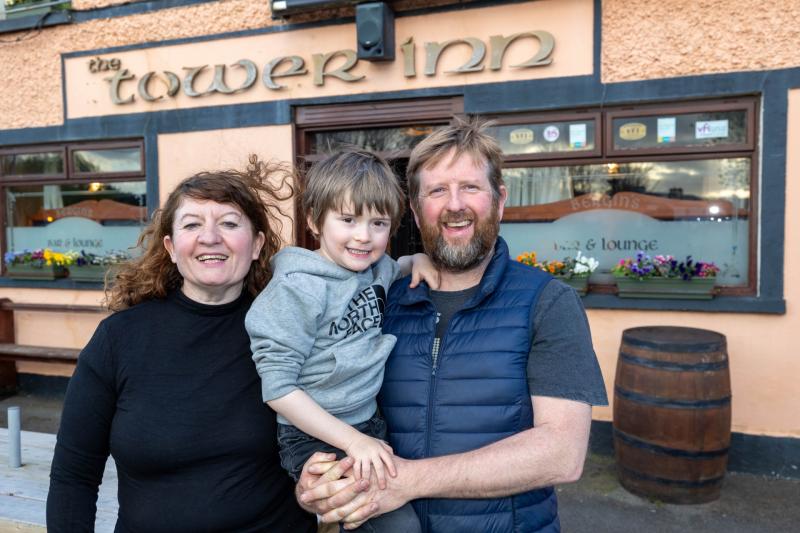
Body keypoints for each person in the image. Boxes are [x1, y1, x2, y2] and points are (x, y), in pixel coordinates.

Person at [296, 119, 608, 532]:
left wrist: (409, 481)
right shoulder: (380, 300)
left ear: (499, 200)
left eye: (470, 187)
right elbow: (329, 397)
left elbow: (561, 454)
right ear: (414, 209)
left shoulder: (546, 302)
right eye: (437, 191)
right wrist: (315, 477)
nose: (454, 204)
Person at [46, 157, 316, 532]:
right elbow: (73, 475)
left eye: (229, 223)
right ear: (171, 247)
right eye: (192, 224)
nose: (210, 237)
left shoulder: (294, 331)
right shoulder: (119, 339)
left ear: (256, 245)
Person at [246, 149, 431, 533]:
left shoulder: (376, 269)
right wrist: (353, 442)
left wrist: (418, 261)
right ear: (314, 220)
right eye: (347, 220)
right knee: (396, 526)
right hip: (313, 436)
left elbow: (397, 267)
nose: (363, 236)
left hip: (368, 423)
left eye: (378, 223)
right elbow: (278, 389)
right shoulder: (296, 289)